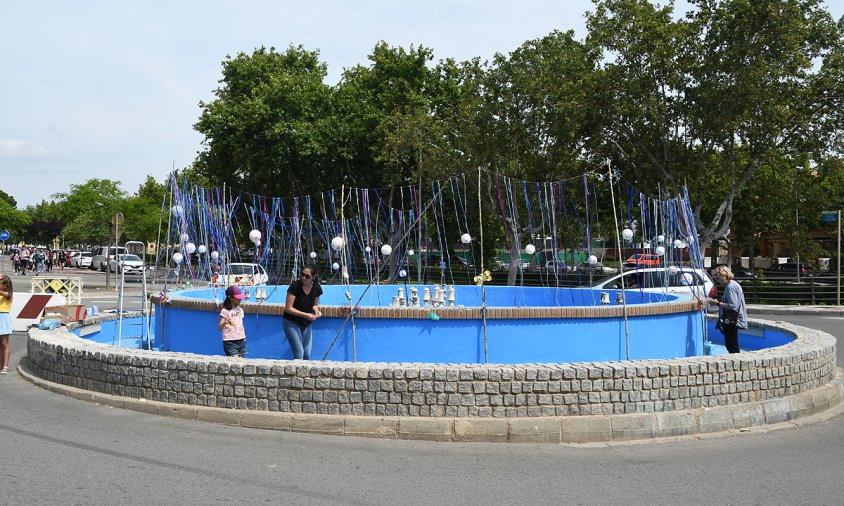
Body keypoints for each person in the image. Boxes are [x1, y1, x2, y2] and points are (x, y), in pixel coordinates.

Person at [283, 264, 322, 360]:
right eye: (302, 274)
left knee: (307, 354)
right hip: (291, 322)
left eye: (307, 276)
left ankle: (303, 375)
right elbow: (288, 308)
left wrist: (317, 311)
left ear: (313, 277)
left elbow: (315, 305)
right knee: (299, 353)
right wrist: (305, 315)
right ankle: (297, 375)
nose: (303, 277)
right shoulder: (295, 286)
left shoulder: (316, 288)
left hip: (306, 323)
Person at [708, 264, 747, 354]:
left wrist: (716, 303)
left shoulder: (731, 287)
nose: (718, 281)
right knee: (731, 344)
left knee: (731, 345)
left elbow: (733, 306)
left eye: (718, 278)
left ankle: (735, 364)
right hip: (732, 319)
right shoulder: (733, 284)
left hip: (732, 320)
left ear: (723, 276)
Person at [218, 285, 247, 358]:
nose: (240, 300)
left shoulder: (240, 310)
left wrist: (244, 337)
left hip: (241, 340)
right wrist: (225, 322)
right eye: (238, 298)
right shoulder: (225, 311)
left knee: (241, 363)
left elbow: (241, 324)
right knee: (234, 364)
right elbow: (220, 328)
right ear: (230, 297)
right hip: (230, 341)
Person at [0, 274, 12, 374]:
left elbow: (6, 295)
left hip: (3, 317)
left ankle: (5, 366)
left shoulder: (8, 294)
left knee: (4, 343)